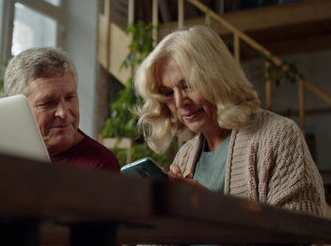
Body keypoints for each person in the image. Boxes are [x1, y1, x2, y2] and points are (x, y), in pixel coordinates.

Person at [134, 25, 326, 216]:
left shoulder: (278, 136)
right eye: (167, 93)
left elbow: (304, 232)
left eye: (189, 86)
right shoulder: (185, 156)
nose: (179, 102)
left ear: (219, 79)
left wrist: (214, 208)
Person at [4, 47, 120, 172]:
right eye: (48, 103)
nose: (63, 113)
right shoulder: (3, 153)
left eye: (69, 98)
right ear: (19, 108)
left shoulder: (101, 166)